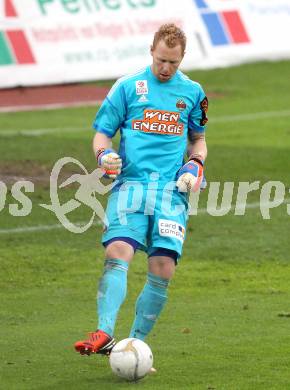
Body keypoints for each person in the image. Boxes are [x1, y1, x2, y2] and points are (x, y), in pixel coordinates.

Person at [75, 23, 208, 356]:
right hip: (130, 186)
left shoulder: (192, 93)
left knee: (163, 267)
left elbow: (199, 141)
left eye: (173, 63)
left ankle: (133, 344)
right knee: (117, 251)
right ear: (152, 51)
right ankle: (103, 333)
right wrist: (104, 154)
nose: (165, 68)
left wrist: (195, 165)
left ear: (182, 59)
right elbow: (102, 134)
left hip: (170, 192)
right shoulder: (128, 87)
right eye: (161, 60)